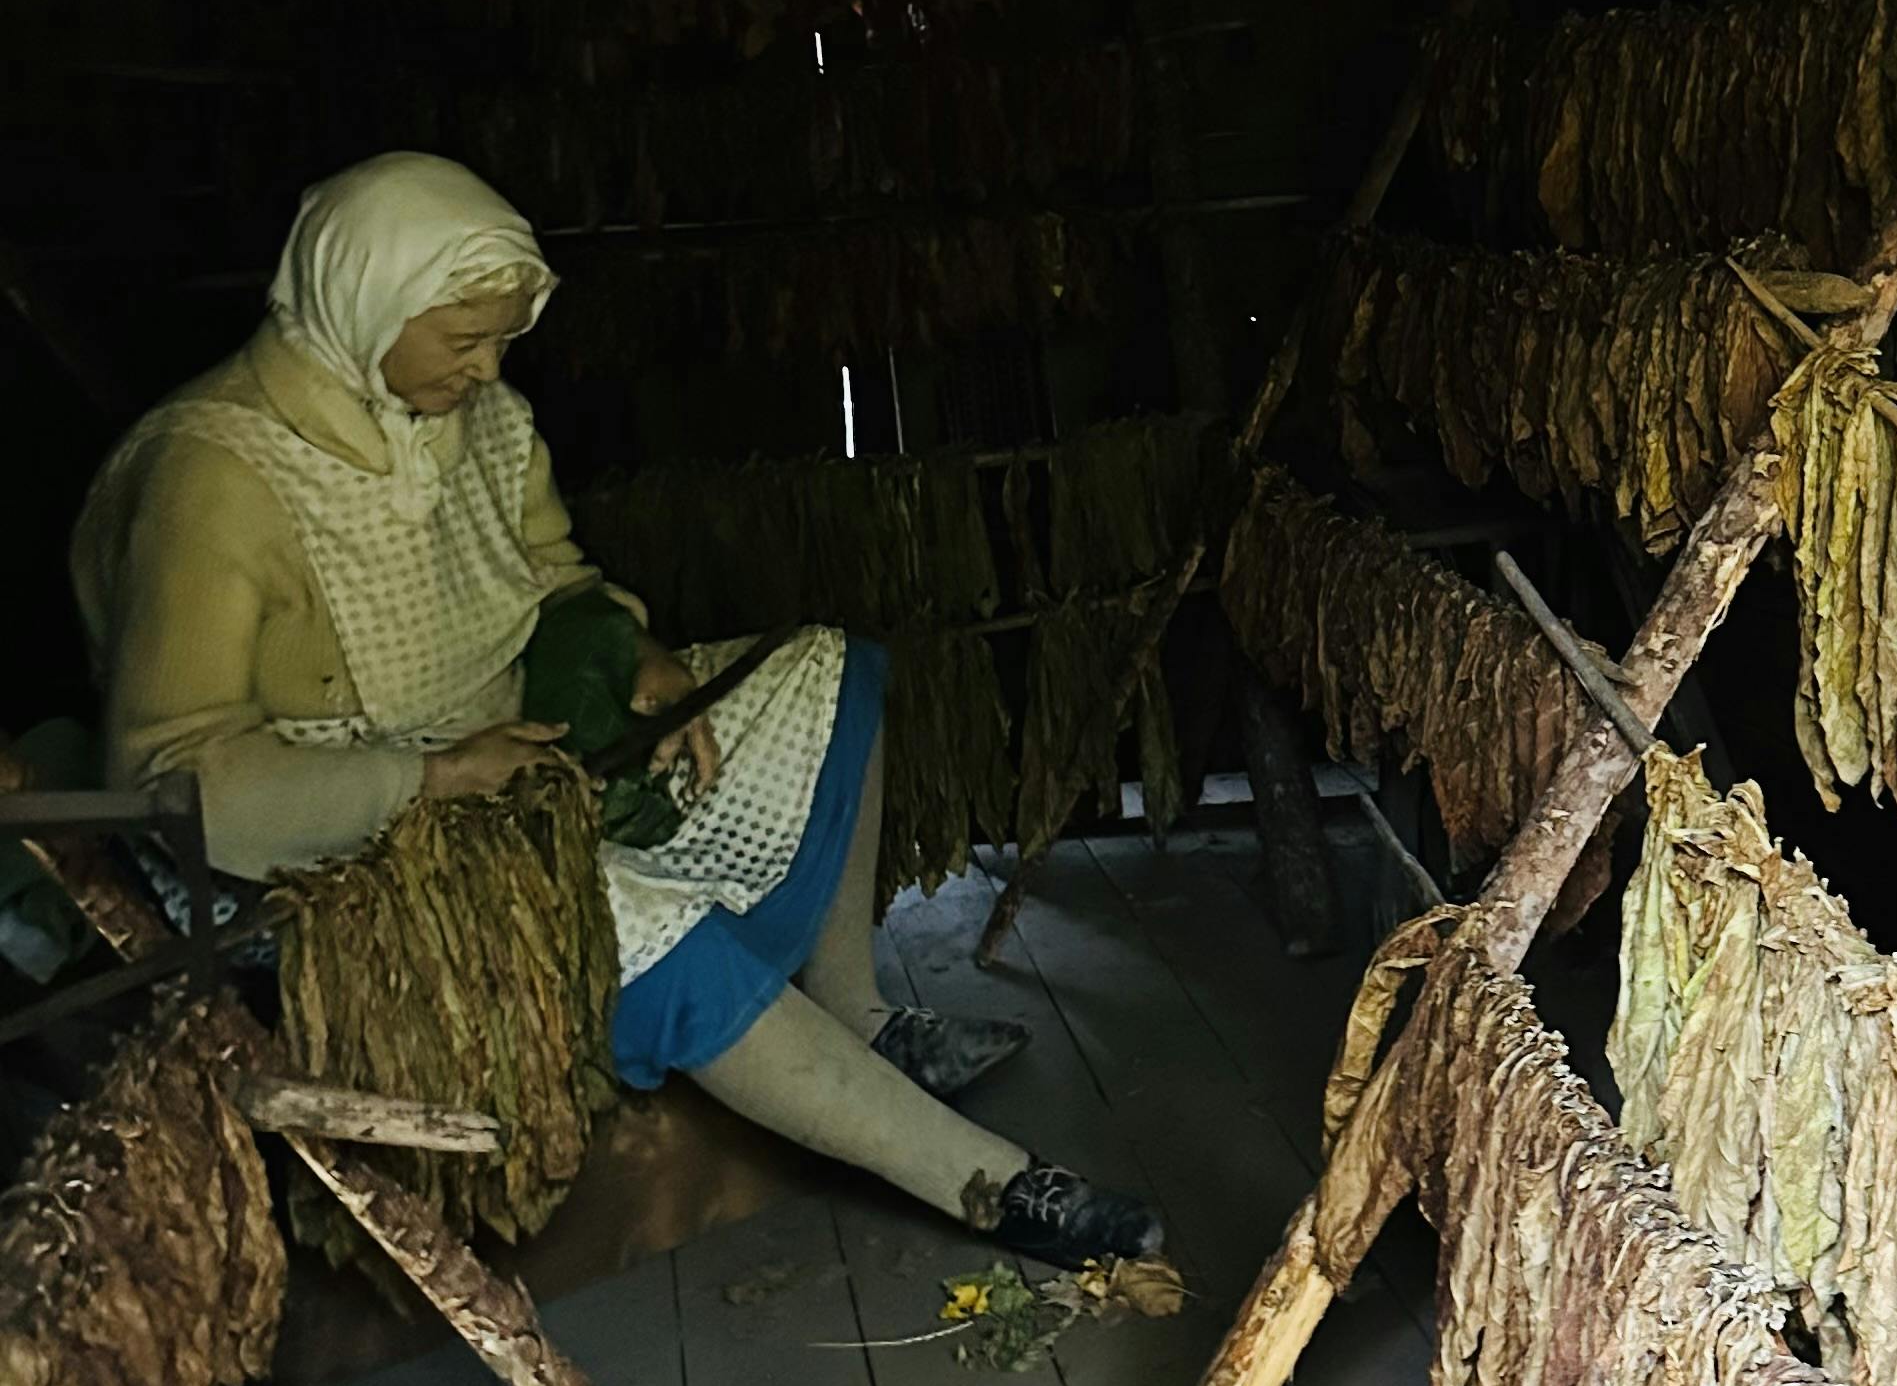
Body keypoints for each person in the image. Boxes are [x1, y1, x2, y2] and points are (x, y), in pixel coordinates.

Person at [71, 153, 1158, 1266]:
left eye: (504, 341)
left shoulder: (482, 420)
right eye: (465, 340)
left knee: (829, 671)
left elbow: (554, 580)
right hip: (317, 838)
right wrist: (430, 778)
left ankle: (858, 1015)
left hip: (519, 755)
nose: (489, 367)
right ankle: (991, 1182)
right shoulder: (214, 476)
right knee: (645, 928)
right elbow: (179, 778)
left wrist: (636, 657)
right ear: (364, 304)